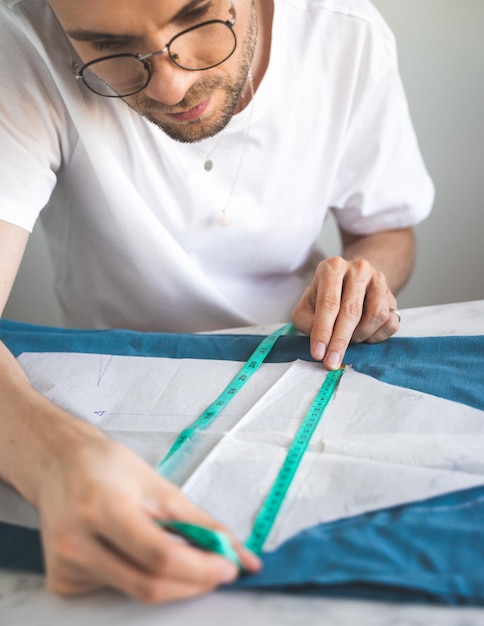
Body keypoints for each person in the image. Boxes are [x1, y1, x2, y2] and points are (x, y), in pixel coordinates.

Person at [0, 0, 434, 605]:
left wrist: (367, 280)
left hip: (304, 360)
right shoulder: (23, 41)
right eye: (105, 45)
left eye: (196, 16)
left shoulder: (346, 33)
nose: (171, 84)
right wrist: (49, 460)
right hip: (107, 391)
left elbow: (387, 229)